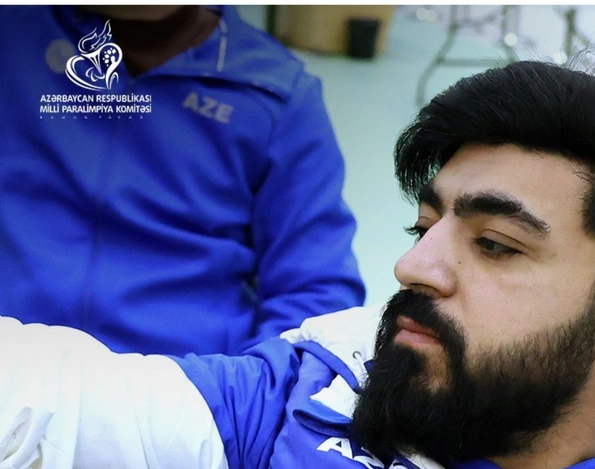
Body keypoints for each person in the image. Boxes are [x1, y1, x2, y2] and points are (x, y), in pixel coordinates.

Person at [0, 61, 595, 469]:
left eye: (495, 245)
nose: (413, 266)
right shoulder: (289, 415)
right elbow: (46, 405)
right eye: (424, 227)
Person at [0, 5, 365, 469]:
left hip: (178, 423)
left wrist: (238, 425)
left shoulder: (273, 93)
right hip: (12, 380)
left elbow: (316, 295)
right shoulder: (13, 33)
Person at [0, 5, 365, 357]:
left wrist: (237, 389)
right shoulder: (12, 41)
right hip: (14, 359)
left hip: (185, 381)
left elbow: (316, 297)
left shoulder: (274, 95)